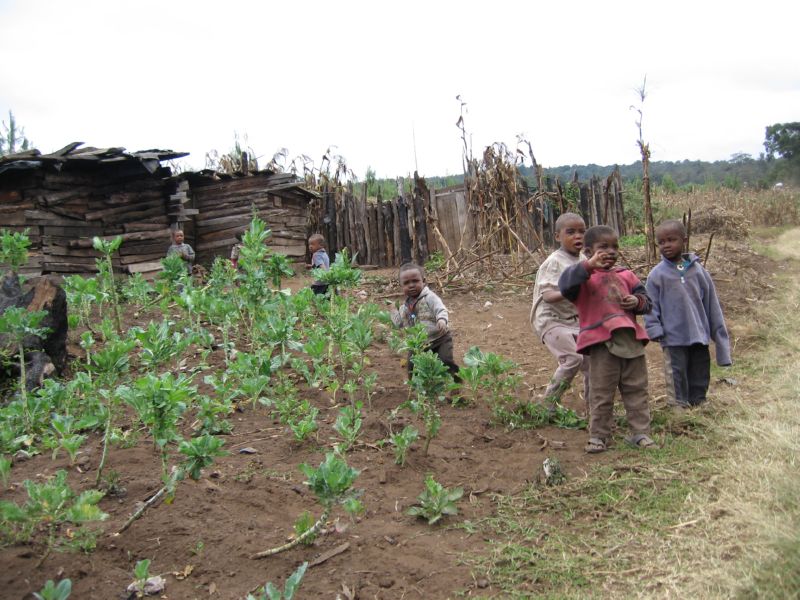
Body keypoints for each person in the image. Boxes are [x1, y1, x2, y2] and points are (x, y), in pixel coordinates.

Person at [559, 225, 656, 453]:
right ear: (589, 250)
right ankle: (598, 436)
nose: (611, 251)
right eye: (603, 247)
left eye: (614, 247)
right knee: (601, 392)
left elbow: (647, 301)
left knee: (637, 390)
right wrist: (588, 266)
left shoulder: (626, 275)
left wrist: (636, 301)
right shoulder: (583, 278)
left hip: (631, 341)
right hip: (602, 344)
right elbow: (564, 286)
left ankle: (640, 433)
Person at [644, 220, 731, 409]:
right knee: (676, 371)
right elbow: (651, 304)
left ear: (684, 240)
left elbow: (712, 305)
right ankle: (677, 404)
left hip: (699, 333)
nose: (666, 245)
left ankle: (698, 400)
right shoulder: (656, 275)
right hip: (672, 335)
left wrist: (720, 340)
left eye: (671, 240)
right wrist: (654, 328)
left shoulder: (699, 272)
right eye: (661, 242)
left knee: (700, 368)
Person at [530, 212, 590, 414]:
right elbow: (547, 296)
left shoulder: (584, 260)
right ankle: (547, 403)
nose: (578, 236)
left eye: (582, 232)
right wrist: (569, 290)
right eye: (571, 232)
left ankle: (596, 407)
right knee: (574, 358)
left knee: (592, 361)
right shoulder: (554, 262)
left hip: (574, 320)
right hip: (550, 320)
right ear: (557, 237)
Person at [391, 262, 459, 379]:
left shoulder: (430, 297)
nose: (411, 285)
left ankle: (455, 383)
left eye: (415, 281)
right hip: (419, 344)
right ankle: (417, 390)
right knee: (412, 366)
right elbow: (399, 323)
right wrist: (393, 312)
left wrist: (442, 320)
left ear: (424, 281)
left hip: (440, 338)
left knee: (446, 361)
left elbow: (440, 309)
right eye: (406, 283)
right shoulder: (405, 307)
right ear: (401, 286)